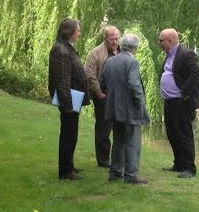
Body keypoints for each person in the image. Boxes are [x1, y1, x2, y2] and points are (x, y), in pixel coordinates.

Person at [103, 33, 151, 184]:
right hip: (130, 109)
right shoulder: (132, 62)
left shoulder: (110, 61)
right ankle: (131, 175)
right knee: (132, 142)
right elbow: (134, 84)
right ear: (135, 48)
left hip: (114, 108)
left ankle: (116, 172)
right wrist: (140, 103)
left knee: (118, 141)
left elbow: (102, 83)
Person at [157, 28, 199, 178]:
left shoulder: (186, 53)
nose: (159, 43)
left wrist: (185, 92)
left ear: (170, 40)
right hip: (170, 102)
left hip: (182, 102)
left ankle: (189, 168)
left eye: (161, 40)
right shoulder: (169, 55)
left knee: (184, 134)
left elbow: (196, 72)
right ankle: (178, 164)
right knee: (172, 133)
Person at [48, 18, 89, 180]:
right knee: (68, 135)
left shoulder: (66, 48)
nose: (79, 33)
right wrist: (67, 104)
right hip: (70, 99)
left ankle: (69, 165)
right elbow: (63, 80)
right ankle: (65, 171)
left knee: (71, 134)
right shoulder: (62, 51)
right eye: (77, 30)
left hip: (73, 98)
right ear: (69, 32)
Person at [84, 25, 121, 167]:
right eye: (112, 39)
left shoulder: (121, 51)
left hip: (119, 96)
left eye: (117, 38)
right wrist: (99, 93)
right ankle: (103, 159)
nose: (115, 42)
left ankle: (118, 157)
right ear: (105, 38)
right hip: (103, 96)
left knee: (119, 127)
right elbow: (90, 75)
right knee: (103, 129)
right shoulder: (95, 53)